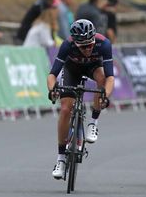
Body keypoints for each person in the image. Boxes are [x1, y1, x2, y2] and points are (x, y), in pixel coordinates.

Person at [47, 19, 114, 179]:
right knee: (65, 109)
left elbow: (111, 77)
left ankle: (93, 122)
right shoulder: (67, 45)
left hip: (94, 68)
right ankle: (61, 159)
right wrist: (52, 90)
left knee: (102, 77)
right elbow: (52, 74)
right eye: (83, 46)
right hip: (72, 70)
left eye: (90, 45)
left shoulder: (103, 44)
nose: (88, 49)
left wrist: (106, 94)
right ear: (76, 43)